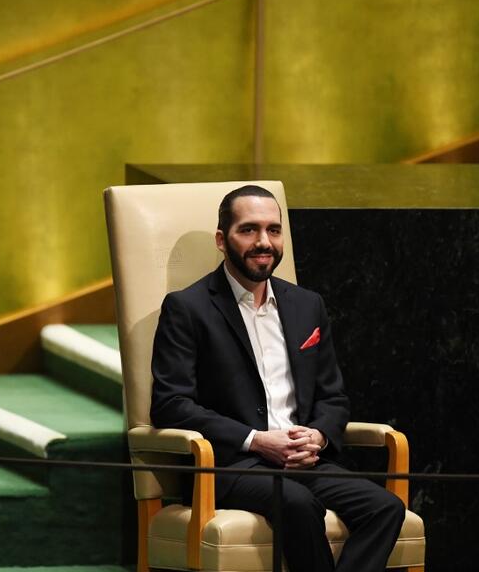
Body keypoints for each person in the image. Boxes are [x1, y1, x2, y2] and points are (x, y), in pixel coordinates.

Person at [150, 185, 405, 572]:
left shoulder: (307, 304)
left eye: (273, 230)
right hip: (231, 466)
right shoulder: (188, 308)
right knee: (299, 504)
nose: (263, 242)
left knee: (385, 508)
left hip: (304, 462)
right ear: (222, 240)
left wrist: (317, 435)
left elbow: (333, 397)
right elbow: (171, 404)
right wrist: (256, 440)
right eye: (249, 230)